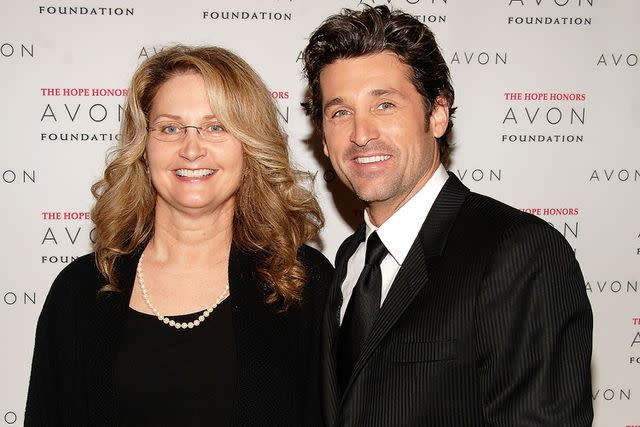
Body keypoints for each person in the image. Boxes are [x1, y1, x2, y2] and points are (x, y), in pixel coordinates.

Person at [302, 6, 593, 426]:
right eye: (340, 112)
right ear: (324, 140)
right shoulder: (347, 261)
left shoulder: (519, 253)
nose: (361, 134)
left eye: (384, 104)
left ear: (437, 114)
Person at [25, 45, 332, 426]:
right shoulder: (80, 291)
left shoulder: (301, 283)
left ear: (249, 146)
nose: (191, 148)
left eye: (216, 127)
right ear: (144, 148)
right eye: (170, 128)